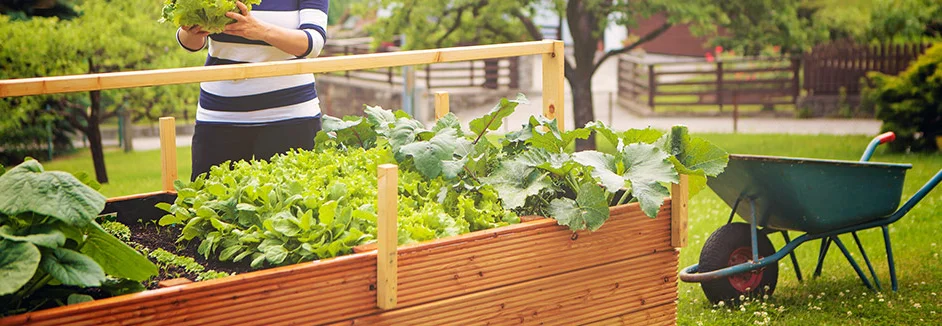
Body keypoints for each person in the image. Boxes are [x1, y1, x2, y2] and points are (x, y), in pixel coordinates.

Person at [176, 0, 329, 180]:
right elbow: (191, 44)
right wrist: (192, 30)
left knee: (291, 202)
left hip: (291, 115)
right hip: (219, 116)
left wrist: (261, 31)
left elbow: (313, 43)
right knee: (211, 202)